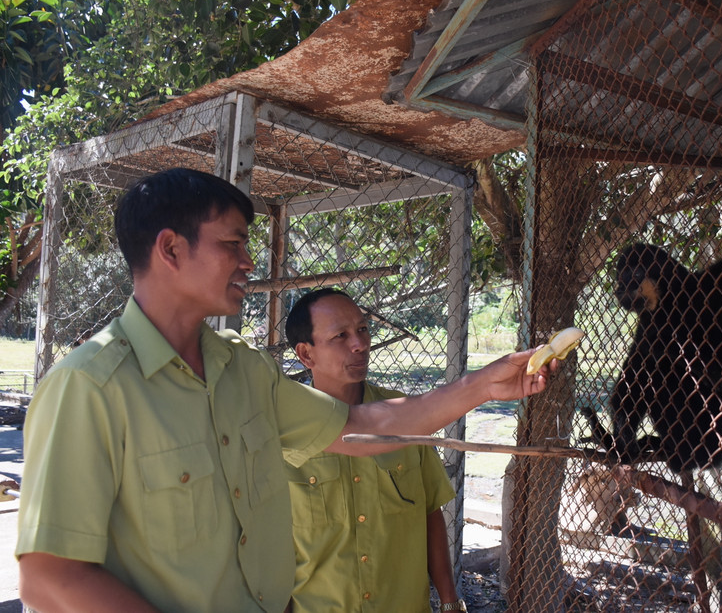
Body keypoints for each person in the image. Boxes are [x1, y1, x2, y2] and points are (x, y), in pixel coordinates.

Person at [15, 168, 551, 613]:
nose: (249, 262)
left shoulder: (243, 370)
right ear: (171, 250)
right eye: (232, 244)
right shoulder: (88, 388)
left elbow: (361, 426)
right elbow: (49, 578)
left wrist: (482, 384)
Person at [284, 288, 464, 612]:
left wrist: (451, 602)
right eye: (341, 335)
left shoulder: (405, 417)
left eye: (363, 329)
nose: (360, 344)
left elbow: (430, 513)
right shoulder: (284, 434)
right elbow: (273, 544)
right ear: (305, 354)